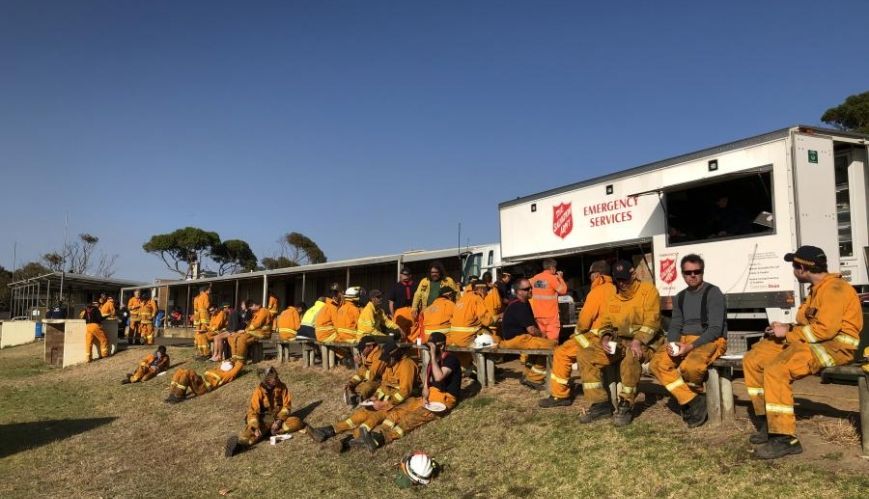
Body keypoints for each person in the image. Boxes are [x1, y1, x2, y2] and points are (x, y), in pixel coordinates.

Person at [743, 246, 862, 459]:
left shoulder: (836, 289)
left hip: (833, 348)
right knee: (753, 359)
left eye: (793, 266)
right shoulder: (816, 289)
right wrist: (784, 328)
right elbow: (809, 324)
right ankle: (768, 423)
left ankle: (784, 438)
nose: (793, 270)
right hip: (812, 341)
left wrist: (787, 332)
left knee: (777, 369)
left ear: (802, 268)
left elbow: (826, 330)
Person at [576, 260, 662, 426]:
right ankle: (600, 405)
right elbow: (605, 324)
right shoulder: (614, 298)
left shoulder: (648, 291)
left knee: (631, 357)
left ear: (633, 274)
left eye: (625, 279)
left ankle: (626, 404)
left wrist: (638, 341)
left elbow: (653, 322)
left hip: (646, 341)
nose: (622, 284)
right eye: (618, 280)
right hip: (620, 342)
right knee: (585, 355)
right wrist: (606, 338)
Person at [650, 254, 728, 427]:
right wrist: (672, 343)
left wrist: (689, 347)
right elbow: (676, 324)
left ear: (702, 272)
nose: (692, 275)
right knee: (656, 364)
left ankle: (693, 401)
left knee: (690, 367)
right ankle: (693, 401)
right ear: (682, 274)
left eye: (696, 271)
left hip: (710, 340)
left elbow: (715, 329)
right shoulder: (680, 297)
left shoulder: (713, 293)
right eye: (688, 272)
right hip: (684, 340)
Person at [357, 332, 462, 452]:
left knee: (412, 418)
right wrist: (424, 396)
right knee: (400, 411)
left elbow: (439, 377)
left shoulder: (451, 359)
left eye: (431, 347)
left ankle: (383, 438)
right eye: (428, 348)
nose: (428, 350)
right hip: (431, 396)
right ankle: (378, 432)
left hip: (444, 399)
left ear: (442, 347)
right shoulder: (432, 363)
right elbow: (427, 384)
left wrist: (432, 355)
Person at [306, 342, 418, 453]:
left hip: (403, 401)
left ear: (396, 356)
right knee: (362, 414)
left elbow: (405, 392)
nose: (385, 362)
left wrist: (386, 403)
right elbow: (384, 385)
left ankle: (347, 441)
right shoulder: (390, 365)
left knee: (374, 417)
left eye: (388, 359)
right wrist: (375, 397)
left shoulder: (407, 365)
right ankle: (328, 431)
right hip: (389, 398)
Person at [540, 260, 616, 407]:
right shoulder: (615, 289)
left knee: (561, 352)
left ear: (597, 275)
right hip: (610, 338)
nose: (590, 278)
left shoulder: (597, 292)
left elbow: (584, 321)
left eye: (591, 275)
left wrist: (576, 333)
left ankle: (560, 395)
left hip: (594, 338)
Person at [224, 367, 304, 457]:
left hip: (279, 418)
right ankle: (238, 446)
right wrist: (256, 427)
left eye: (277, 377)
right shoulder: (258, 392)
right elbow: (253, 411)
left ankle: (276, 431)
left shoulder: (282, 387)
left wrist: (278, 421)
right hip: (264, 421)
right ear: (268, 380)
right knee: (253, 435)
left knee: (296, 422)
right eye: (275, 378)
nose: (278, 379)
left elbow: (287, 406)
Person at [499, 278, 557, 390]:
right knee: (551, 345)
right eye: (526, 289)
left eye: (531, 287)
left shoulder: (524, 303)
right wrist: (543, 336)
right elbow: (531, 329)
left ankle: (529, 375)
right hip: (517, 339)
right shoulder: (519, 305)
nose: (530, 290)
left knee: (544, 344)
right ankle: (534, 378)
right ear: (518, 291)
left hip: (521, 338)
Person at [448, 281, 494, 367]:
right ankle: (485, 369)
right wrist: (495, 318)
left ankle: (469, 368)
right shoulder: (477, 298)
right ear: (481, 289)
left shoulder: (463, 298)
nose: (487, 293)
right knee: (490, 338)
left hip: (454, 337)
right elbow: (486, 321)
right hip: (466, 338)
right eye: (486, 290)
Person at [166, 359, 245, 403]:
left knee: (187, 373)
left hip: (204, 388)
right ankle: (172, 394)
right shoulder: (218, 369)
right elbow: (222, 363)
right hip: (201, 381)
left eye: (229, 363)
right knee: (180, 371)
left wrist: (235, 361)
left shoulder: (228, 375)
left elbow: (240, 364)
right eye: (227, 361)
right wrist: (226, 361)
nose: (227, 362)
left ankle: (178, 396)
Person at [530, 259, 568, 341]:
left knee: (542, 340)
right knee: (552, 341)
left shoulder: (535, 278)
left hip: (538, 315)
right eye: (555, 268)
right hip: (550, 316)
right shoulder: (552, 278)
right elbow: (563, 291)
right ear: (552, 268)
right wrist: (560, 278)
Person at [345, 335, 386, 406]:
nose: (360, 350)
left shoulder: (379, 356)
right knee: (349, 385)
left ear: (371, 347)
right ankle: (355, 397)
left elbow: (371, 377)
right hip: (371, 379)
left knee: (367, 386)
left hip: (380, 381)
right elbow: (360, 374)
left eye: (362, 348)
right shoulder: (366, 354)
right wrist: (351, 383)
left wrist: (361, 365)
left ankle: (359, 400)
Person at [387, 267, 419, 339]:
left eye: (408, 275)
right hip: (400, 312)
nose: (406, 277)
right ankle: (402, 349)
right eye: (404, 275)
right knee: (401, 333)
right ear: (400, 275)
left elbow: (420, 300)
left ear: (410, 276)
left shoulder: (416, 286)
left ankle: (412, 349)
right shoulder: (395, 286)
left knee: (413, 332)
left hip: (412, 311)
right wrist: (393, 315)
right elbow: (391, 302)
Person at [193, 286, 212, 358]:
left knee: (198, 332)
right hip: (204, 315)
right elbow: (207, 306)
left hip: (198, 316)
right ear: (205, 290)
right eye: (209, 289)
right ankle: (206, 351)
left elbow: (195, 308)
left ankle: (198, 349)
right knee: (204, 332)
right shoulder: (206, 296)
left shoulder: (197, 298)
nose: (210, 291)